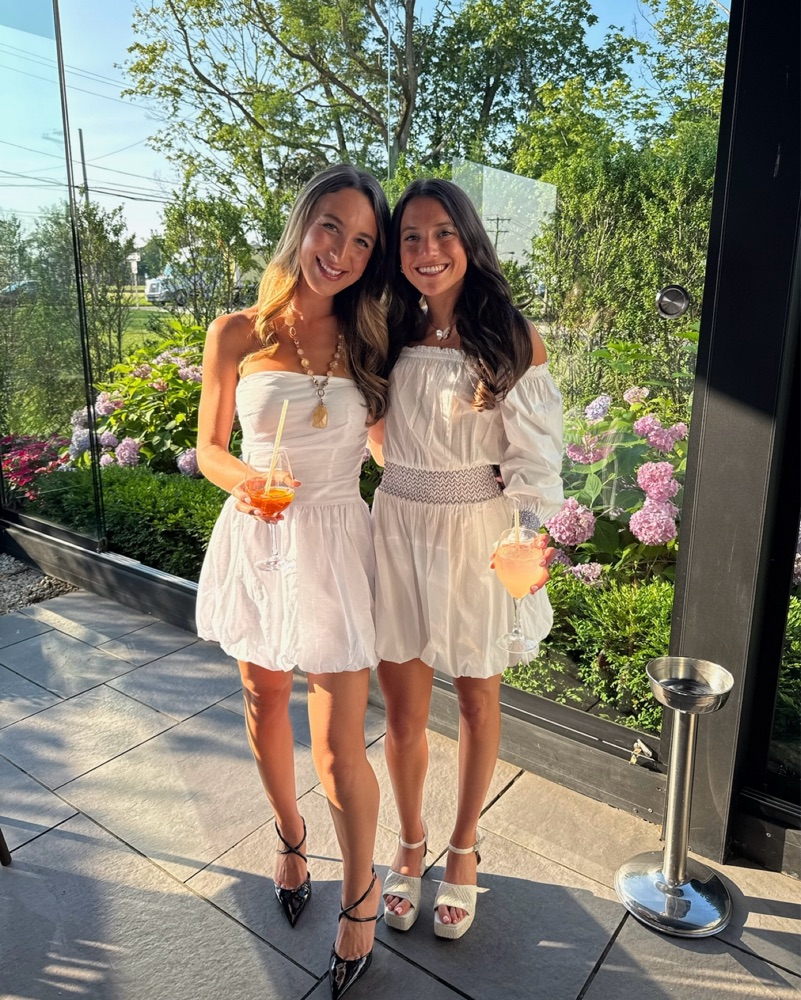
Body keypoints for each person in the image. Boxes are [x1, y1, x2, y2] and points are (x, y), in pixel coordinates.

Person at [195, 163, 389, 1000]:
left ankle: (361, 894)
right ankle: (288, 836)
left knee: (342, 744)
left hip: (339, 541)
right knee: (262, 697)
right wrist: (247, 482)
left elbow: (388, 448)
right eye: (330, 227)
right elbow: (209, 447)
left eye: (362, 242)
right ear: (303, 225)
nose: (341, 252)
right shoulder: (235, 332)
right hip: (260, 531)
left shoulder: (372, 338)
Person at [370, 178, 564, 940]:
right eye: (411, 237)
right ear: (396, 252)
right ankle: (409, 841)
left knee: (479, 698)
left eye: (443, 233)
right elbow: (373, 428)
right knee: (403, 711)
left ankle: (462, 846)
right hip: (397, 526)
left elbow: (535, 460)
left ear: (469, 240)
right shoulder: (385, 329)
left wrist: (524, 534)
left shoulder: (511, 336)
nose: (427, 250)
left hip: (477, 531)